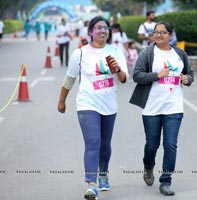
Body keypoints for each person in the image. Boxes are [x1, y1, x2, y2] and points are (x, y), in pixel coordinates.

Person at [57, 16, 128, 200]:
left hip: (109, 104)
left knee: (105, 145)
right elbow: (70, 79)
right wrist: (62, 101)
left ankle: (103, 173)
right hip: (87, 103)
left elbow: (123, 79)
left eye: (106, 28)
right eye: (98, 28)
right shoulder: (80, 53)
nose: (103, 30)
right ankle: (91, 184)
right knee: (93, 142)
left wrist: (117, 69)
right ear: (90, 32)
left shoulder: (116, 51)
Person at [130, 21, 194, 196]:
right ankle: (148, 166)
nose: (158, 35)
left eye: (162, 32)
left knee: (170, 145)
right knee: (152, 145)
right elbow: (137, 75)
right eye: (156, 32)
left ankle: (166, 181)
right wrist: (156, 75)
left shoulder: (180, 54)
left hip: (174, 107)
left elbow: (190, 73)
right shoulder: (148, 52)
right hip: (152, 108)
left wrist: (188, 79)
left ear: (171, 35)